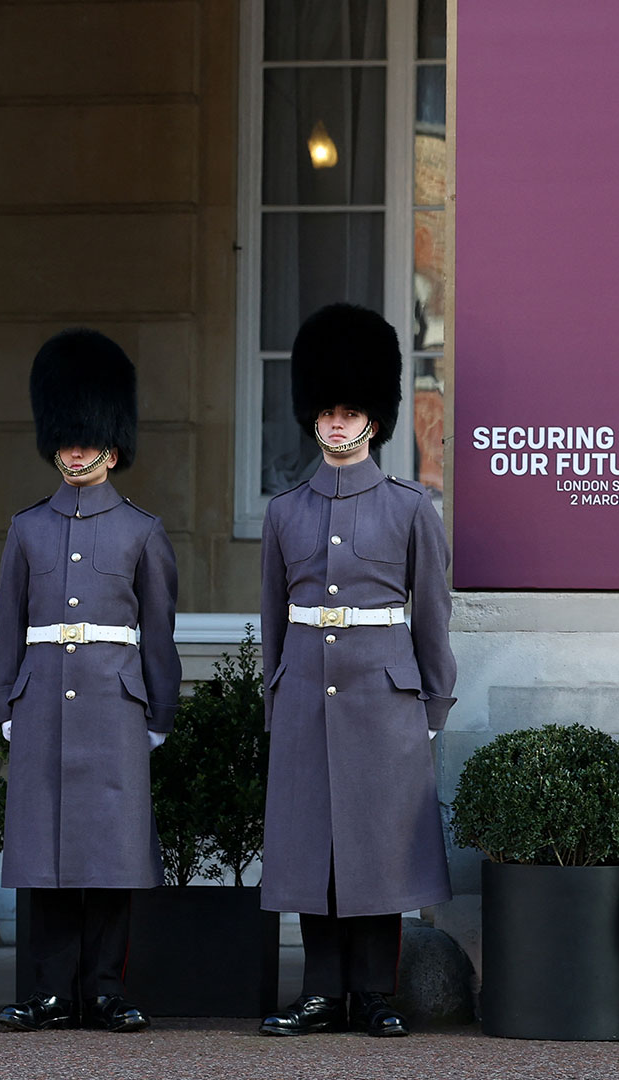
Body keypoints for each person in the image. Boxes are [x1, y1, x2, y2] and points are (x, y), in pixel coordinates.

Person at [256, 303, 454, 1039]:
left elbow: (431, 618)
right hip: (306, 694)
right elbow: (274, 621)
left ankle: (374, 993)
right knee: (314, 851)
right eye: (327, 413)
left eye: (350, 412)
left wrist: (431, 710)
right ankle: (320, 992)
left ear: (374, 419)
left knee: (377, 852)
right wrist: (276, 705)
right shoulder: (287, 513)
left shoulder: (410, 510)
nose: (337, 425)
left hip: (384, 699)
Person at [0, 329, 181, 1034]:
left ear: (112, 442)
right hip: (42, 703)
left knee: (109, 859)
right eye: (66, 440)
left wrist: (157, 716)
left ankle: (104, 988)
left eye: (86, 439)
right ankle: (48, 990)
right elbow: (10, 627)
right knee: (45, 859)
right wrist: (7, 702)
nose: (74, 451)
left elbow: (157, 634)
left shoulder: (141, 533)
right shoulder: (28, 530)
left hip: (114, 708)